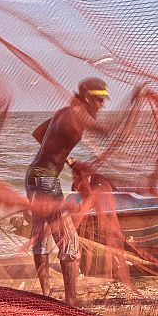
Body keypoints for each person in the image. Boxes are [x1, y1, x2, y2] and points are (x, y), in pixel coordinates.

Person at [26, 77, 109, 303]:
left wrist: (66, 159)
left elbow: (38, 133)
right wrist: (124, 127)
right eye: (100, 100)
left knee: (41, 235)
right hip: (46, 181)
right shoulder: (78, 114)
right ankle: (71, 303)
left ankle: (45, 294)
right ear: (89, 98)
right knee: (69, 241)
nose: (102, 105)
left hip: (33, 176)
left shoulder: (64, 112)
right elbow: (103, 131)